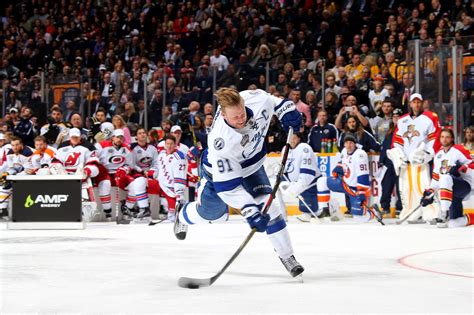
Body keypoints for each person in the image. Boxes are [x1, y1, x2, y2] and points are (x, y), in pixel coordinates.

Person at [173, 87, 304, 278]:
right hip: (217, 176)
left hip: (251, 166)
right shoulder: (221, 141)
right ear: (223, 114)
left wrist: (286, 109)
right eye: (235, 118)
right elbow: (229, 188)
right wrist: (249, 210)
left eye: (242, 113)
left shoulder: (254, 98)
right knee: (211, 215)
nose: (241, 119)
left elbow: (272, 101)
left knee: (269, 206)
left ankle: (288, 256)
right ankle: (182, 215)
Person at [388, 93, 441, 223]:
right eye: (414, 102)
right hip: (406, 163)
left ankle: (431, 213)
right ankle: (411, 212)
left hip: (421, 161)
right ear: (410, 104)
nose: (416, 104)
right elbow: (397, 140)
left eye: (419, 102)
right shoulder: (402, 120)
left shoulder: (431, 117)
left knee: (425, 186)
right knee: (406, 188)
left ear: (422, 103)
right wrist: (399, 155)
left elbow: (435, 137)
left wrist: (426, 154)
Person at [317, 134, 382, 223]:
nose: (348, 145)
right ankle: (325, 209)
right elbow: (343, 162)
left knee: (359, 219)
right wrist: (338, 168)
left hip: (356, 190)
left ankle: (374, 211)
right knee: (322, 181)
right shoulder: (344, 151)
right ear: (344, 144)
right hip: (344, 184)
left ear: (355, 144)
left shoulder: (360, 155)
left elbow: (363, 175)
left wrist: (361, 192)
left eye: (351, 143)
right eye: (346, 143)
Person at [421, 129, 474, 228]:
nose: (444, 139)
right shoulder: (438, 155)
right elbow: (436, 178)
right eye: (442, 137)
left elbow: (472, 163)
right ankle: (466, 218)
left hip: (464, 185)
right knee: (454, 223)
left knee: (445, 178)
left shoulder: (459, 149)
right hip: (451, 191)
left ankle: (444, 213)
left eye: (447, 137)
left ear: (452, 138)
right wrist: (429, 193)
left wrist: (463, 168)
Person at [280, 132, 327, 222]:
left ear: (299, 139)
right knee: (274, 185)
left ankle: (327, 208)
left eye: (294, 138)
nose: (292, 141)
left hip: (310, 182)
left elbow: (307, 176)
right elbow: (284, 169)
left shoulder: (305, 148)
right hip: (294, 181)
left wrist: (295, 189)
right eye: (290, 138)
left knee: (313, 210)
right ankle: (281, 214)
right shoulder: (285, 149)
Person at [152, 135, 187, 222]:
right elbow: (157, 166)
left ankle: (175, 216)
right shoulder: (161, 154)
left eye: (171, 144)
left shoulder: (179, 156)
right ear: (165, 144)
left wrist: (180, 192)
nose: (169, 146)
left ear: (175, 145)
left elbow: (180, 175)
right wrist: (154, 172)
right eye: (167, 143)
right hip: (161, 184)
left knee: (175, 209)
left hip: (171, 187)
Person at [0, 136, 33, 219]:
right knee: (4, 186)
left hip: (33, 174)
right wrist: (7, 174)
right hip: (20, 173)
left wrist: (13, 178)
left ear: (21, 144)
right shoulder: (10, 153)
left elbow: (28, 170)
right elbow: (12, 168)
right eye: (13, 145)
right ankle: (3, 209)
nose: (15, 147)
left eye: (17, 145)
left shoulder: (27, 152)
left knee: (11, 185)